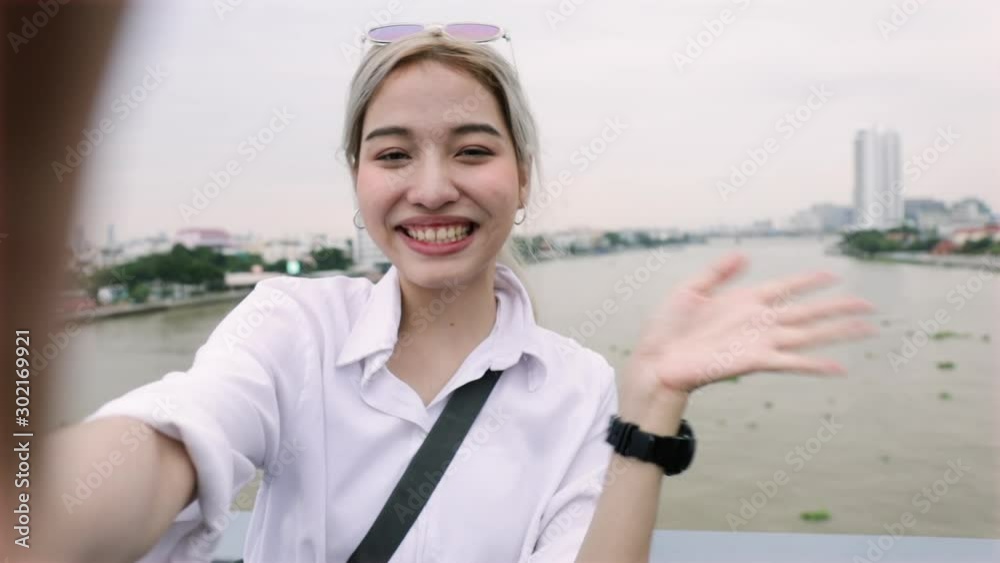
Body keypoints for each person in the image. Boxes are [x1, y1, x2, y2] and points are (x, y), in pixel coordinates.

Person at [31, 27, 876, 563]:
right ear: (357, 178)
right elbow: (174, 445)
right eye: (393, 155)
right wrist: (29, 511)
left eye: (472, 150)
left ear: (523, 177)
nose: (432, 189)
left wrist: (652, 398)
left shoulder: (578, 386)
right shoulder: (292, 326)